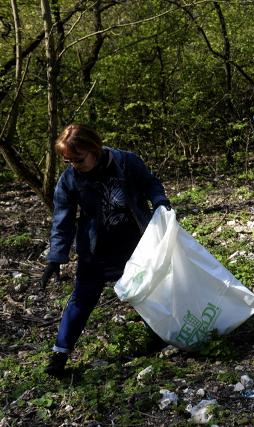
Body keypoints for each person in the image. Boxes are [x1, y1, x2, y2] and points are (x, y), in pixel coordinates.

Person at [40, 124, 171, 377]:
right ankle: (60, 354)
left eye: (78, 159)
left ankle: (162, 335)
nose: (74, 165)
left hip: (135, 245)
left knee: (144, 292)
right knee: (82, 298)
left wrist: (160, 201)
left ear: (94, 149)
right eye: (68, 161)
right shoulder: (70, 179)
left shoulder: (126, 162)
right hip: (95, 250)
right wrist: (55, 258)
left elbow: (150, 183)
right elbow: (62, 219)